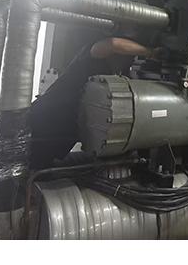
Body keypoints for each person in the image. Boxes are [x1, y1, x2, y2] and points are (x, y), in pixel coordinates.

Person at [30, 37, 161, 168]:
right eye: (128, 57)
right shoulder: (90, 59)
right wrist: (150, 52)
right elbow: (113, 43)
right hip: (43, 120)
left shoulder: (110, 77)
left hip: (60, 133)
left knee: (39, 166)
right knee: (28, 164)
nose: (128, 62)